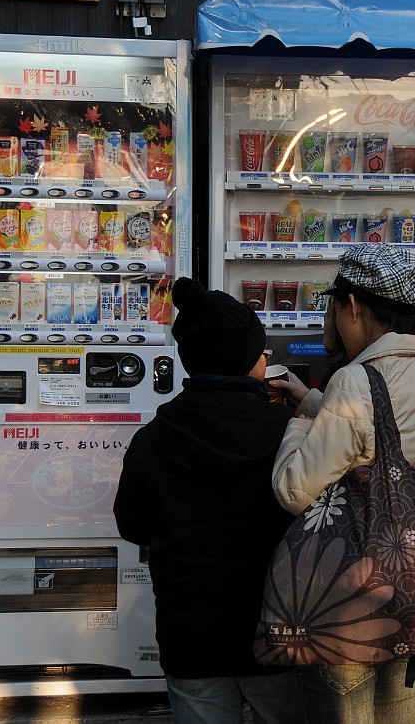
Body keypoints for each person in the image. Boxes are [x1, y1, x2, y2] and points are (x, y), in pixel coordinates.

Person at [271, 243, 415, 724]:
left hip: (349, 604)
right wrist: (317, 402)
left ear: (353, 306)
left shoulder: (355, 380)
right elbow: (410, 470)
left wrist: (298, 420)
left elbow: (293, 489)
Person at [113, 277, 305, 724]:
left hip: (190, 637)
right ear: (246, 360)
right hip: (275, 633)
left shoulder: (153, 439)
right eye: (262, 352)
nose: (265, 360)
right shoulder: (286, 433)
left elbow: (133, 525)